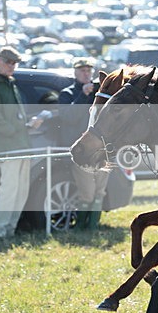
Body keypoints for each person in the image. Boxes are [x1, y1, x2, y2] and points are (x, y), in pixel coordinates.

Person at [0, 46, 42, 239]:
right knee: (8, 190)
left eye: (14, 63)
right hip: (7, 147)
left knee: (21, 190)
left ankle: (9, 230)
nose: (11, 66)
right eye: (8, 62)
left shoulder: (11, 84)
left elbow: (13, 118)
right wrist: (20, 128)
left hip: (22, 145)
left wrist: (28, 125)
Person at [59, 57, 110, 230]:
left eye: (88, 70)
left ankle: (93, 227)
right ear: (75, 72)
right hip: (83, 152)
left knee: (99, 192)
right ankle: (81, 228)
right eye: (82, 70)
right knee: (87, 193)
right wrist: (83, 95)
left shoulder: (99, 92)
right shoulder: (67, 93)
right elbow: (68, 118)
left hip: (101, 150)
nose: (86, 73)